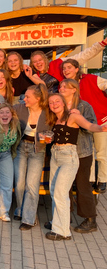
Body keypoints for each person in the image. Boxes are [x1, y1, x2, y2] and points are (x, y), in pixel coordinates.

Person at [44, 93, 107, 241]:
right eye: (51, 102)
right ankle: (58, 223)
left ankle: (62, 232)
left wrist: (101, 128)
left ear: (64, 103)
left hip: (69, 157)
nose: (54, 104)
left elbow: (89, 125)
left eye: (57, 101)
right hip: (56, 156)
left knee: (61, 193)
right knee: (54, 192)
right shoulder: (55, 119)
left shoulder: (73, 117)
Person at [62, 59, 107, 193]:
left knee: (101, 152)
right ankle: (90, 179)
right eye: (64, 69)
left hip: (100, 120)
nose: (66, 71)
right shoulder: (67, 86)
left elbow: (105, 85)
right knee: (88, 152)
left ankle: (103, 180)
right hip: (83, 123)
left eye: (69, 67)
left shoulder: (91, 79)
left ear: (77, 69)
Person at [59, 79, 98, 233]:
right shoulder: (58, 105)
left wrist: (80, 117)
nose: (61, 88)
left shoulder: (84, 106)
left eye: (64, 87)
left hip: (81, 152)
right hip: (63, 152)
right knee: (64, 186)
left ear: (74, 89)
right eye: (60, 86)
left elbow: (91, 127)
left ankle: (90, 220)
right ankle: (64, 217)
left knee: (82, 185)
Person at [12, 84, 50, 230]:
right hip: (21, 147)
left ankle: (29, 219)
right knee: (19, 183)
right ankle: (21, 209)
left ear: (38, 99)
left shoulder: (48, 112)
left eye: (28, 97)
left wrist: (49, 138)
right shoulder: (20, 108)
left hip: (38, 150)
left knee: (32, 185)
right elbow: (1, 112)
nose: (24, 99)